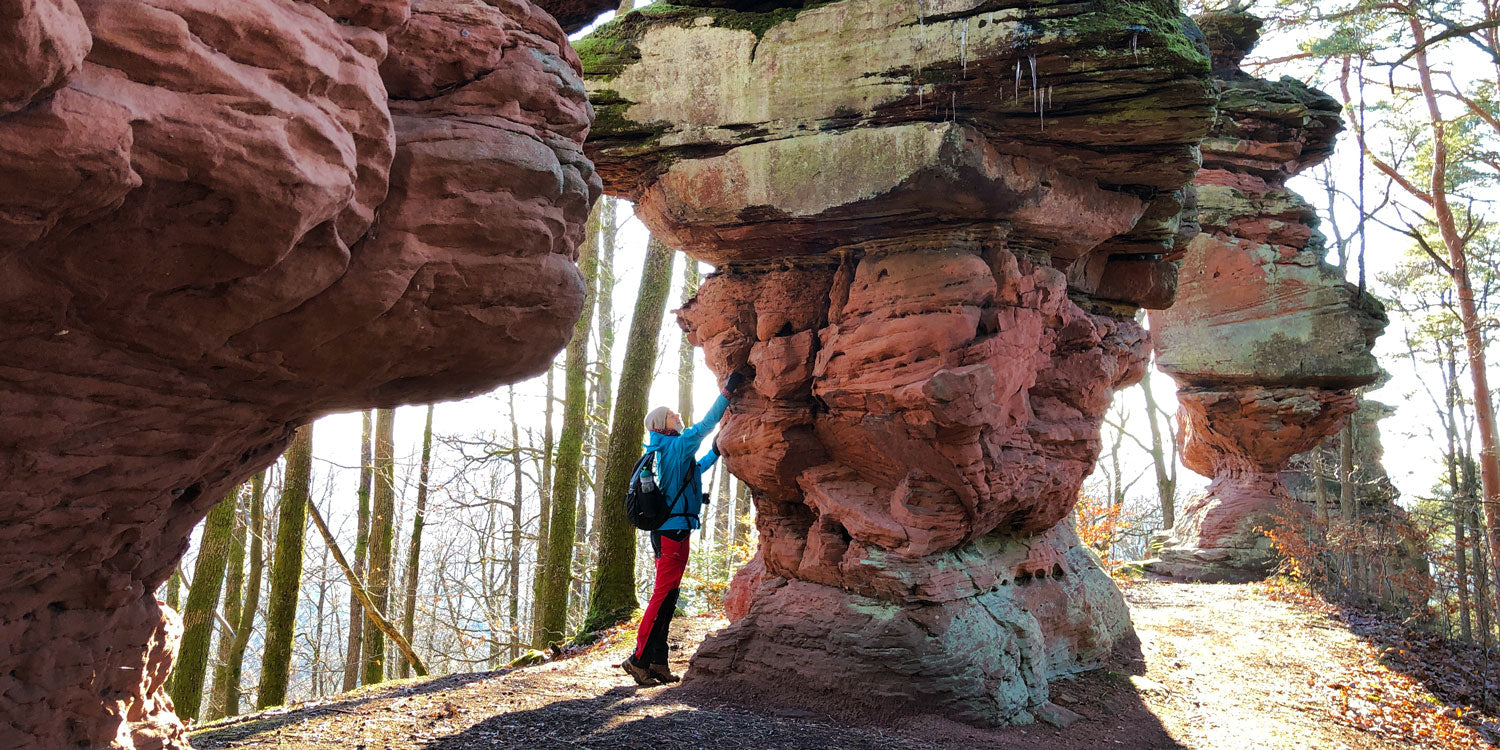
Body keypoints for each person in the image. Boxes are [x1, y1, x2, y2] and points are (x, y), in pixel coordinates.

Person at [621, 370, 745, 686]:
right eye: (673, 416)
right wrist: (727, 394)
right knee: (662, 596)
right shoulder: (674, 447)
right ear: (663, 424)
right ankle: (638, 659)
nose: (679, 417)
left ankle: (657, 664)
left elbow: (697, 469)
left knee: (670, 597)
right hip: (672, 532)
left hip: (672, 532)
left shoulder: (668, 450)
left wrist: (717, 449)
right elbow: (703, 426)